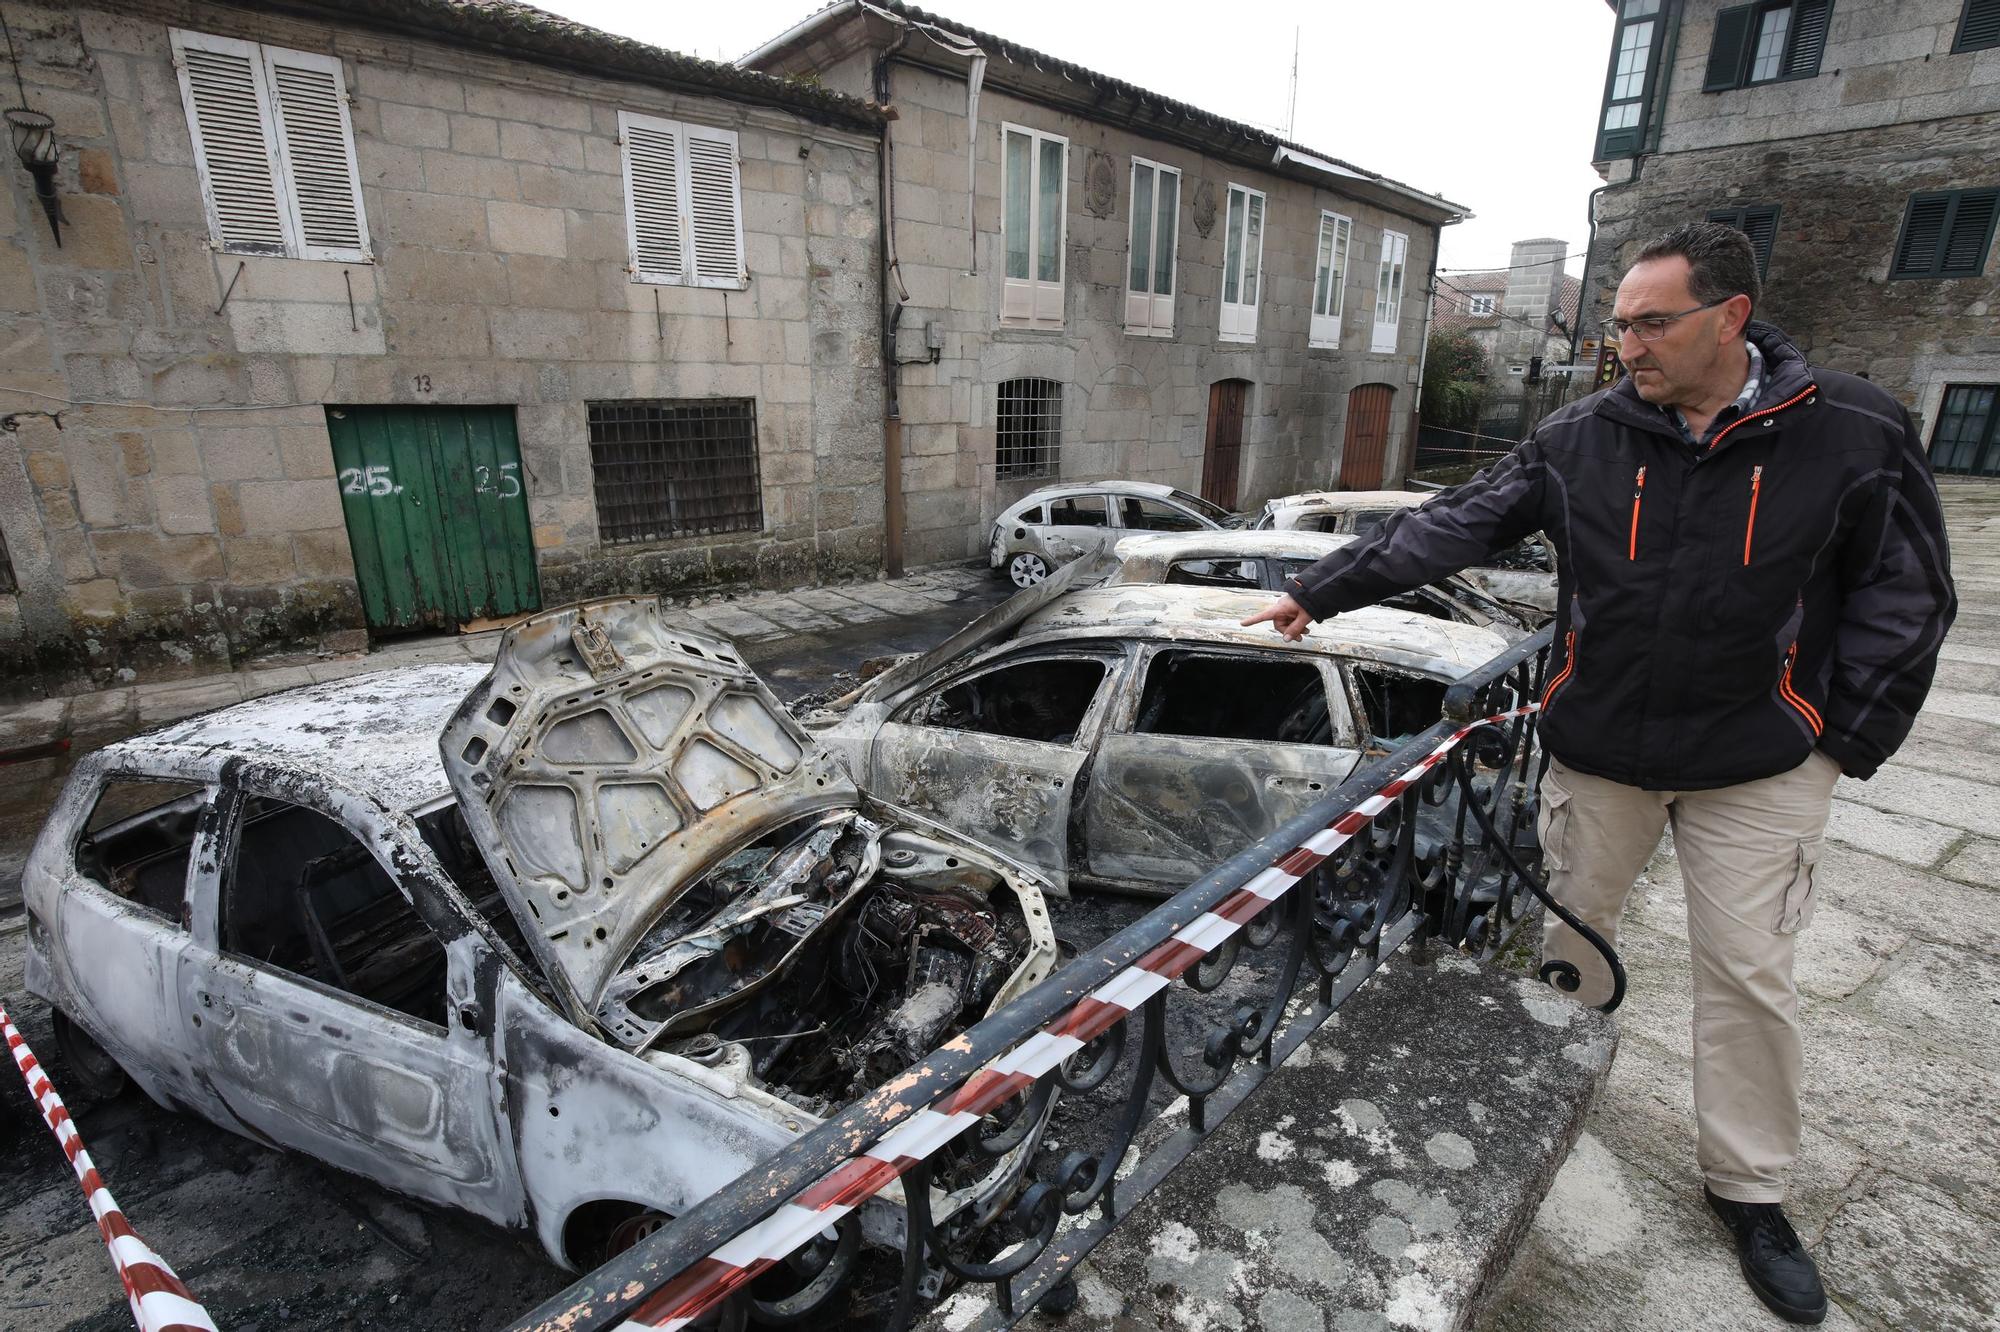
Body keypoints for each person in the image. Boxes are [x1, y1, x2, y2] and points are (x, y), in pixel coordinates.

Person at [1244, 221, 1955, 1325]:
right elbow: (1457, 522)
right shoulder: (1584, 435)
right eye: (1617, 323)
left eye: (1649, 322)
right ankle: (1542, 1116)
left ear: (1729, 315)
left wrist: (1834, 738)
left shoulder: (1853, 428)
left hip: (1761, 768)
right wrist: (1323, 588)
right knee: (1571, 949)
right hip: (1602, 757)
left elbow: (1905, 592)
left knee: (1749, 980)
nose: (1625, 344)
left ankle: (1750, 1191)